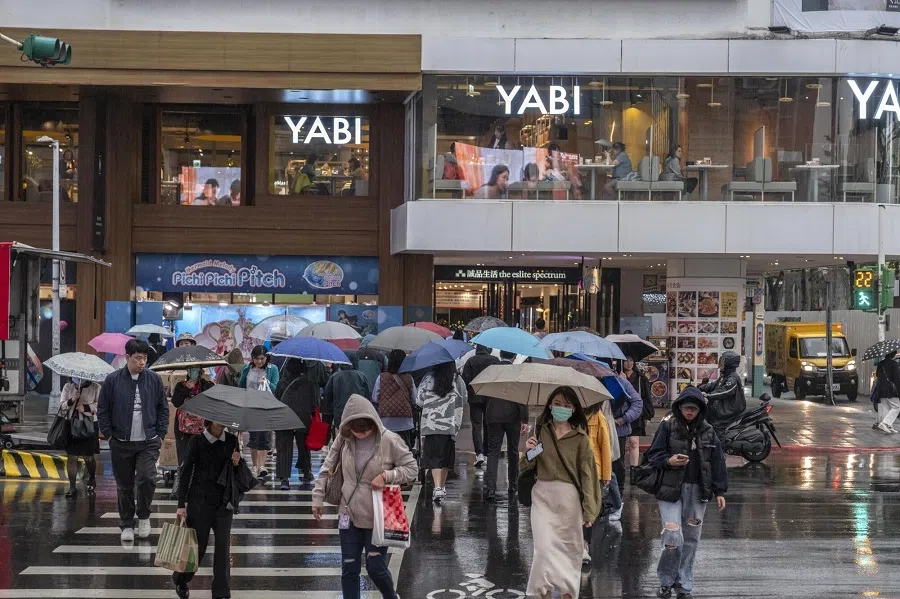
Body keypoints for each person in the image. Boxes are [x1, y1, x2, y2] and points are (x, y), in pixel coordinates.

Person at [312, 394, 418, 599]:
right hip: (347, 513)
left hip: (377, 515)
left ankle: (391, 596)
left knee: (375, 567)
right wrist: (317, 498)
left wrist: (387, 475)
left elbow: (411, 468)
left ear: (373, 423)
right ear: (348, 426)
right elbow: (328, 466)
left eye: (366, 430)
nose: (361, 434)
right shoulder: (343, 438)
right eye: (356, 430)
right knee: (349, 568)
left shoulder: (389, 439)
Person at [646, 387, 727, 599]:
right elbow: (653, 453)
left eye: (693, 408)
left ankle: (683, 584)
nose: (689, 412)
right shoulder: (667, 426)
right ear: (679, 407)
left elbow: (717, 462)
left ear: (700, 410)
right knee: (672, 536)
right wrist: (668, 461)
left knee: (691, 539)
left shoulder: (709, 431)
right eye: (685, 408)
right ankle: (666, 581)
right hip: (669, 490)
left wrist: (719, 491)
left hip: (698, 492)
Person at [521, 387, 600, 599]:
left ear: (574, 409)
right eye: (557, 403)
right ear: (549, 405)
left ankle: (567, 592)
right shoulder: (539, 430)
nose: (561, 409)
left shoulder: (581, 438)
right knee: (544, 550)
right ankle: (539, 592)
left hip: (569, 501)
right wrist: (528, 452)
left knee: (570, 552)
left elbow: (588, 476)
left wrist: (590, 512)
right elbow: (525, 467)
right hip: (542, 497)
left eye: (567, 405)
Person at [97, 338, 168, 543]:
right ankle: (127, 523)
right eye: (138, 358)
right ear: (127, 358)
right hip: (121, 440)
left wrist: (161, 434)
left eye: (145, 358)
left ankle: (144, 516)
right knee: (124, 485)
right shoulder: (113, 380)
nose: (142, 362)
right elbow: (103, 410)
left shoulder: (153, 379)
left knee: (147, 478)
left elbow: (163, 408)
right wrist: (109, 434)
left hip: (148, 440)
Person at [173, 420, 244, 599]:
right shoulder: (196, 441)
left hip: (223, 505)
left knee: (222, 550)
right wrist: (181, 504)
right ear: (210, 420)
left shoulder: (231, 441)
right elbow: (186, 472)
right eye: (219, 419)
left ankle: (221, 593)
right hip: (199, 504)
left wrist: (237, 463)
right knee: (198, 549)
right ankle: (181, 579)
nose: (222, 423)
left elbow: (237, 476)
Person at [416, 361, 466, 503]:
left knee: (434, 457)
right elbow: (464, 399)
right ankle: (440, 487)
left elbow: (419, 400)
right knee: (445, 457)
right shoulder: (457, 380)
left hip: (430, 425)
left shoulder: (428, 378)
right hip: (449, 424)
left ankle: (438, 488)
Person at [483, 351, 528, 501]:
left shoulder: (492, 370)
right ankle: (513, 485)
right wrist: (525, 419)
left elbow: (484, 393)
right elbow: (521, 397)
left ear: (501, 355)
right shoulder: (517, 373)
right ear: (514, 357)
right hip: (513, 416)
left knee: (493, 451)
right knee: (513, 451)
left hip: (493, 415)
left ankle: (490, 488)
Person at [274, 359, 320, 489]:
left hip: (284, 419)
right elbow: (314, 404)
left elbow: (276, 400)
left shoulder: (282, 382)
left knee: (284, 448)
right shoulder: (309, 383)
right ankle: (306, 472)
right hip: (302, 419)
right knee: (304, 447)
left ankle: (284, 479)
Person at [238, 345, 280, 478]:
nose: (259, 361)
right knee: (254, 436)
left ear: (266, 358)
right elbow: (241, 385)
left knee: (265, 436)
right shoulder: (247, 368)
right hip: (251, 406)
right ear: (253, 359)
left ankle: (262, 465)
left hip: (266, 407)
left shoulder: (272, 369)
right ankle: (255, 465)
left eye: (262, 358)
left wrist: (267, 382)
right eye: (256, 359)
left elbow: (276, 388)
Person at [582, 400, 613, 565]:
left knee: (589, 511)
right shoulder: (573, 416)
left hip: (595, 470)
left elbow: (605, 446)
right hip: (575, 470)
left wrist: (606, 474)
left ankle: (585, 546)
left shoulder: (598, 417)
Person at [60, 377, 100, 498]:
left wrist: (86, 408)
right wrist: (72, 399)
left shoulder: (96, 387)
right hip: (71, 425)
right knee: (72, 457)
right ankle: (72, 487)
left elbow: (100, 406)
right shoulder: (68, 387)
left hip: (88, 425)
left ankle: (92, 477)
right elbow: (62, 406)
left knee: (88, 458)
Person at [461, 344, 499, 468]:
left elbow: (465, 379)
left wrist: (471, 390)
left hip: (474, 397)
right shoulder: (494, 360)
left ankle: (479, 454)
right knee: (488, 424)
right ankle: (487, 454)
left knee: (476, 426)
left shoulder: (471, 361)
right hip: (490, 397)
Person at [372, 349, 417, 449]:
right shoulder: (409, 378)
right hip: (405, 421)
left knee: (386, 449)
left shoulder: (381, 377)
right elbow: (415, 398)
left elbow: (375, 398)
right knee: (403, 450)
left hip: (386, 419)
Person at [610, 373, 643, 511]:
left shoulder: (621, 382)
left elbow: (637, 403)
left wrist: (623, 419)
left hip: (618, 432)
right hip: (594, 429)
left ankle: (617, 501)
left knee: (617, 464)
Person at [171, 367, 214, 465]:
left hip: (202, 430)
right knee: (184, 458)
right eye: (190, 369)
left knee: (202, 460)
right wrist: (186, 389)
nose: (192, 371)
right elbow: (176, 403)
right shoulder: (181, 385)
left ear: (200, 370)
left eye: (195, 369)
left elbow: (212, 404)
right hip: (183, 431)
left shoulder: (207, 385)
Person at [697, 351, 746, 435]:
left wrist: (708, 395)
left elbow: (725, 391)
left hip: (729, 411)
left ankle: (720, 447)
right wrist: (698, 388)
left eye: (722, 362)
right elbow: (713, 385)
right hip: (721, 409)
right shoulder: (725, 376)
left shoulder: (732, 378)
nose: (720, 364)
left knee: (717, 427)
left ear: (728, 364)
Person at [323, 360, 372, 432]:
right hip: (357, 413)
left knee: (341, 437)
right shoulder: (362, 376)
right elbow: (367, 396)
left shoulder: (335, 376)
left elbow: (327, 396)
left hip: (340, 414)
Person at [624, 357, 654, 470]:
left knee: (634, 442)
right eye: (626, 360)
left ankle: (634, 469)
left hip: (636, 413)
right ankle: (619, 468)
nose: (629, 363)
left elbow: (647, 397)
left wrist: (648, 414)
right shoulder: (617, 376)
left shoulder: (641, 378)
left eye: (631, 360)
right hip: (621, 413)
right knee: (620, 443)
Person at [873, 351, 900, 433]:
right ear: (893, 354)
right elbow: (896, 378)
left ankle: (888, 426)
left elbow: (877, 374)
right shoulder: (894, 364)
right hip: (890, 389)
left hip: (881, 389)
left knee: (886, 407)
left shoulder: (881, 363)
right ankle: (885, 423)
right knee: (896, 407)